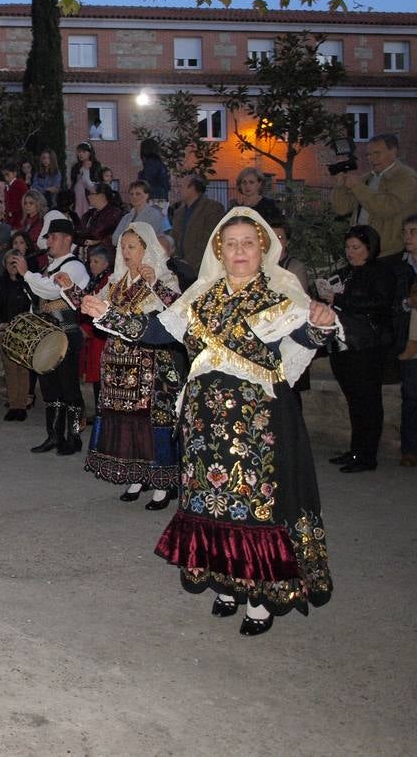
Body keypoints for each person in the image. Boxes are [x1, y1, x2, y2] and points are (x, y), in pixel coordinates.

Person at [81, 208, 337, 635]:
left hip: (258, 424)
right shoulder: (200, 295)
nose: (239, 250)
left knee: (254, 505)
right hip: (202, 421)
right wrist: (107, 314)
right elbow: (158, 330)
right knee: (211, 502)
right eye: (231, 243)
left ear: (263, 249)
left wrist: (320, 325)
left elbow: (303, 337)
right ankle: (226, 583)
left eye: (248, 243)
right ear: (219, 249)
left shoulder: (281, 297)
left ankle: (258, 596)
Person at [69, 225, 184, 507]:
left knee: (153, 420)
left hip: (152, 363)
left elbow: (181, 312)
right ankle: (137, 473)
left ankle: (162, 481)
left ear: (147, 249)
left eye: (132, 246)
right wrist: (69, 290)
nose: (126, 251)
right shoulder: (117, 282)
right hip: (119, 364)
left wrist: (154, 282)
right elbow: (96, 308)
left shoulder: (165, 277)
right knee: (127, 420)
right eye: (123, 246)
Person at [323, 225, 397, 474]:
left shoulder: (380, 272)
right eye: (347, 247)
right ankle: (356, 449)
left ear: (369, 248)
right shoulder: (346, 273)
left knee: (368, 400)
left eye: (356, 248)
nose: (350, 252)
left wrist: (341, 300)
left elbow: (380, 303)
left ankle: (367, 455)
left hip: (368, 345)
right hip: (345, 344)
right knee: (355, 400)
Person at [17, 217, 90, 454]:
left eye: (53, 236)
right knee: (50, 389)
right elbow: (39, 297)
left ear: (68, 239)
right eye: (48, 237)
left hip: (66, 334)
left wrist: (27, 275)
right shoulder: (50, 266)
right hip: (47, 335)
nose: (49, 240)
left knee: (69, 388)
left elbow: (50, 289)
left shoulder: (75, 266)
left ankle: (74, 438)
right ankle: (55, 436)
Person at [330, 133, 417, 258]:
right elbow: (342, 209)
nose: (372, 159)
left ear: (393, 151)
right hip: (363, 251)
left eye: (377, 153)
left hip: (389, 253)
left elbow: (388, 208)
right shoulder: (367, 178)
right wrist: (340, 186)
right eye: (369, 155)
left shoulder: (406, 177)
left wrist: (357, 187)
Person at [0, 249, 35, 421]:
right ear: (4, 264)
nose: (13, 266)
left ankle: (22, 406)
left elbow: (35, 306)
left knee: (23, 369)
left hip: (25, 332)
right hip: (5, 331)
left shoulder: (28, 283)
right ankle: (13, 406)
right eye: (10, 262)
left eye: (16, 262)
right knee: (10, 369)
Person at [77, 244, 113, 425]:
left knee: (101, 375)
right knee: (96, 376)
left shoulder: (107, 281)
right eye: (91, 261)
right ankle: (99, 412)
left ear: (106, 263)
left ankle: (102, 414)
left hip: (99, 335)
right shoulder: (95, 280)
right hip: (92, 333)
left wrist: (88, 328)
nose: (92, 264)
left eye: (96, 261)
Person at [396, 214, 417, 467]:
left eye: (413, 232)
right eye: (405, 232)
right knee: (410, 397)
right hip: (407, 342)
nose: (407, 237)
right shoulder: (401, 267)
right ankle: (410, 449)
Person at [169, 175, 226, 269]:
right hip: (179, 267)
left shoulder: (212, 208)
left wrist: (188, 261)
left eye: (181, 186)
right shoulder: (179, 212)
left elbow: (210, 238)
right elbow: (174, 236)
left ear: (192, 188)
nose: (178, 190)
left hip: (202, 267)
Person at [77, 184, 123, 257]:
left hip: (106, 258)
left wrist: (94, 241)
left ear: (102, 196)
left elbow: (97, 233)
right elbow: (78, 234)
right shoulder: (89, 214)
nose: (88, 197)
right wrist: (86, 241)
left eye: (91, 194)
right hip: (88, 255)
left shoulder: (114, 213)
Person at [69, 143, 104, 217]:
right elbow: (73, 183)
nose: (81, 154)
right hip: (77, 198)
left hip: (90, 197)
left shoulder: (96, 166)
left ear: (90, 153)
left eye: (84, 152)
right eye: (79, 152)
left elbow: (97, 183)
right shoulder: (75, 167)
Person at [136, 139, 171, 203]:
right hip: (161, 198)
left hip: (153, 199)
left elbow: (146, 183)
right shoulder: (160, 164)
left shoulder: (150, 164)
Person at [2, 161, 30, 228]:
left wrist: (24, 218)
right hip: (10, 219)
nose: (5, 177)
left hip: (19, 218)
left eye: (7, 174)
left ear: (14, 173)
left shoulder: (20, 184)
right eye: (4, 175)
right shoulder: (7, 186)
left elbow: (25, 201)